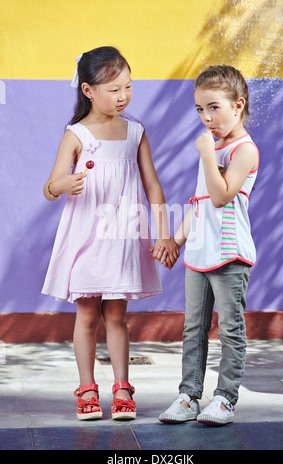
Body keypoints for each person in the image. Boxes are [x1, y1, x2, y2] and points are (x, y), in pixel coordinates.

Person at [42, 46, 179, 421]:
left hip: (122, 237)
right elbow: (49, 186)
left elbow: (153, 185)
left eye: (128, 88)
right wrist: (62, 185)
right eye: (114, 89)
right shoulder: (77, 134)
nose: (123, 97)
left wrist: (163, 233)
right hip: (85, 237)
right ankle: (87, 387)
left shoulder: (135, 132)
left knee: (116, 314)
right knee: (87, 314)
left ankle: (122, 388)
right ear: (88, 90)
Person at [157, 65, 259, 425]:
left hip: (230, 256)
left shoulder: (244, 151)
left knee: (231, 328)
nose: (206, 117)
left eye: (214, 107)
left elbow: (220, 196)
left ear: (238, 105)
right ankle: (189, 396)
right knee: (193, 328)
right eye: (200, 109)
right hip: (200, 254)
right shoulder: (214, 147)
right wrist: (176, 241)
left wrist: (205, 155)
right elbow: (200, 201)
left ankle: (226, 399)